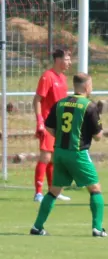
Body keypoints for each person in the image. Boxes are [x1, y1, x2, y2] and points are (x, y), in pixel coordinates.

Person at [30, 73, 108, 237]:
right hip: (77, 153)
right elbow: (98, 136)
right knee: (95, 189)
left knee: (54, 190)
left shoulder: (60, 103)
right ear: (87, 87)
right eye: (91, 85)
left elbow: (49, 128)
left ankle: (37, 227)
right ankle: (97, 228)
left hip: (59, 152)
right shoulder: (89, 106)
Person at [32, 49, 72, 202]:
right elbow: (37, 100)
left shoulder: (62, 78)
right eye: (67, 59)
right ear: (58, 59)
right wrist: (40, 121)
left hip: (60, 125)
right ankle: (38, 193)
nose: (69, 62)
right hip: (48, 124)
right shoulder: (47, 77)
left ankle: (53, 191)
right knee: (46, 156)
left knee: (55, 158)